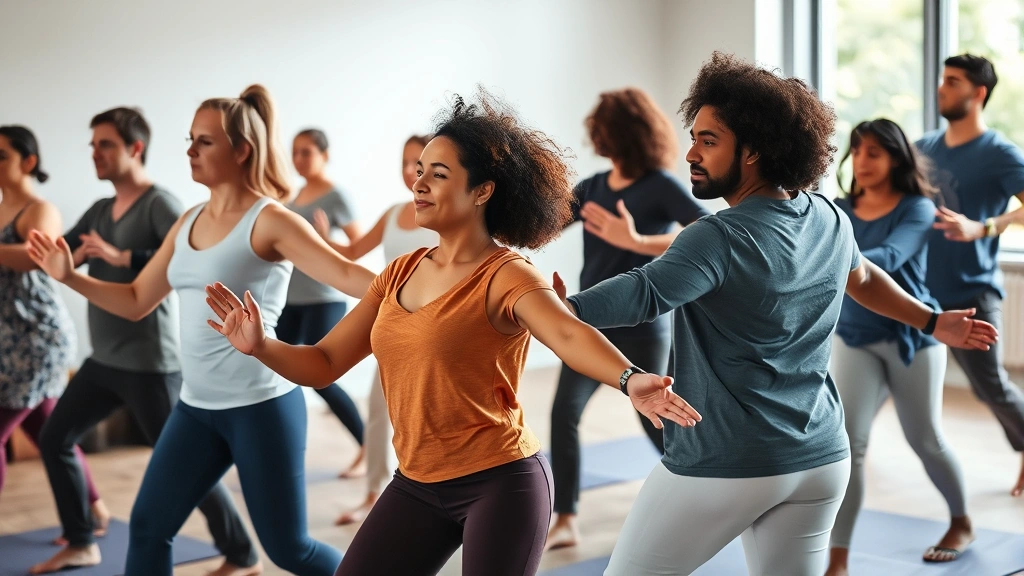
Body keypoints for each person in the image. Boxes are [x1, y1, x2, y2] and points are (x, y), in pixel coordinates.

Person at [203, 89, 701, 576]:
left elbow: (567, 335)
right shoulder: (398, 272)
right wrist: (262, 346)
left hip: (501, 484)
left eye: (437, 175)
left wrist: (630, 379)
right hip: (416, 483)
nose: (418, 184)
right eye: (419, 171)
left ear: (482, 190)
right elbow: (325, 364)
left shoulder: (508, 274)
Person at [558, 52, 997, 576]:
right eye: (693, 137)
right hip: (820, 461)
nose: (690, 153)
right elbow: (862, 279)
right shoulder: (830, 216)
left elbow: (642, 293)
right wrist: (930, 319)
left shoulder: (719, 235)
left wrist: (563, 309)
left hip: (728, 463)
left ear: (754, 152)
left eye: (708, 141)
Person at [28, 85, 375, 576]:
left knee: (288, 549)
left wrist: (421, 284)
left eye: (204, 142)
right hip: (196, 409)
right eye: (189, 139)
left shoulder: (270, 219)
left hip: (262, 408)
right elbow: (134, 301)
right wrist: (70, 277)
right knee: (149, 528)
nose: (190, 150)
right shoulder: (187, 220)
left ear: (242, 150)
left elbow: (345, 274)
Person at [29, 108, 259, 575]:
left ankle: (242, 553)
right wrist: (48, 253)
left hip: (151, 364)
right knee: (55, 437)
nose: (95, 152)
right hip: (105, 359)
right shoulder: (98, 209)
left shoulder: (162, 205)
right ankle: (80, 540)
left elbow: (189, 256)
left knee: (186, 466)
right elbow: (64, 253)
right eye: (93, 144)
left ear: (135, 148)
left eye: (106, 144)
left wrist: (123, 255)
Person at [546, 87, 709, 549]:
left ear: (628, 135)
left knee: (654, 420)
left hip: (643, 326)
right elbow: (544, 222)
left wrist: (636, 240)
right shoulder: (594, 187)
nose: (597, 138)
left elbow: (703, 233)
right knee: (564, 414)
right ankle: (566, 517)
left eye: (605, 130)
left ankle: (701, 493)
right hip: (588, 325)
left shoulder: (659, 185)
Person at [824, 119, 974, 575]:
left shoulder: (918, 208)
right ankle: (838, 559)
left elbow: (887, 259)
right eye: (858, 151)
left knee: (924, 439)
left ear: (896, 158)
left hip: (916, 338)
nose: (864, 161)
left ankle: (961, 522)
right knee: (850, 445)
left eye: (876, 152)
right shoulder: (837, 208)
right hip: (854, 338)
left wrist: (826, 256)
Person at [916, 53, 1024, 497]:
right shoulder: (922, 149)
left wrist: (983, 227)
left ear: (978, 93)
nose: (942, 87)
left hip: (972, 292)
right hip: (919, 292)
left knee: (990, 387)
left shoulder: (999, 154)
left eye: (954, 81)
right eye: (943, 79)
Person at [324, 134, 439, 525]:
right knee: (377, 409)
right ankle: (374, 493)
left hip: (435, 333)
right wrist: (316, 240)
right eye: (406, 162)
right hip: (395, 328)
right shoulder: (393, 213)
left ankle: (433, 494)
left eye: (420, 164)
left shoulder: (441, 215)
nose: (411, 171)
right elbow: (351, 254)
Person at [0, 125, 99, 514]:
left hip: (37, 340)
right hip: (9, 342)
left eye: (1, 156)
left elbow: (33, 254)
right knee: (46, 430)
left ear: (29, 162)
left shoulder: (40, 209)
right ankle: (96, 509)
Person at [281, 128, 367, 478]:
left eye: (306, 152)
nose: (299, 159)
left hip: (324, 299)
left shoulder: (336, 197)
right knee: (271, 370)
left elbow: (358, 245)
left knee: (322, 378)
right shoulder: (292, 196)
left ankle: (367, 446)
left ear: (324, 155)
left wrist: (323, 240)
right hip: (291, 299)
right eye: (295, 152)